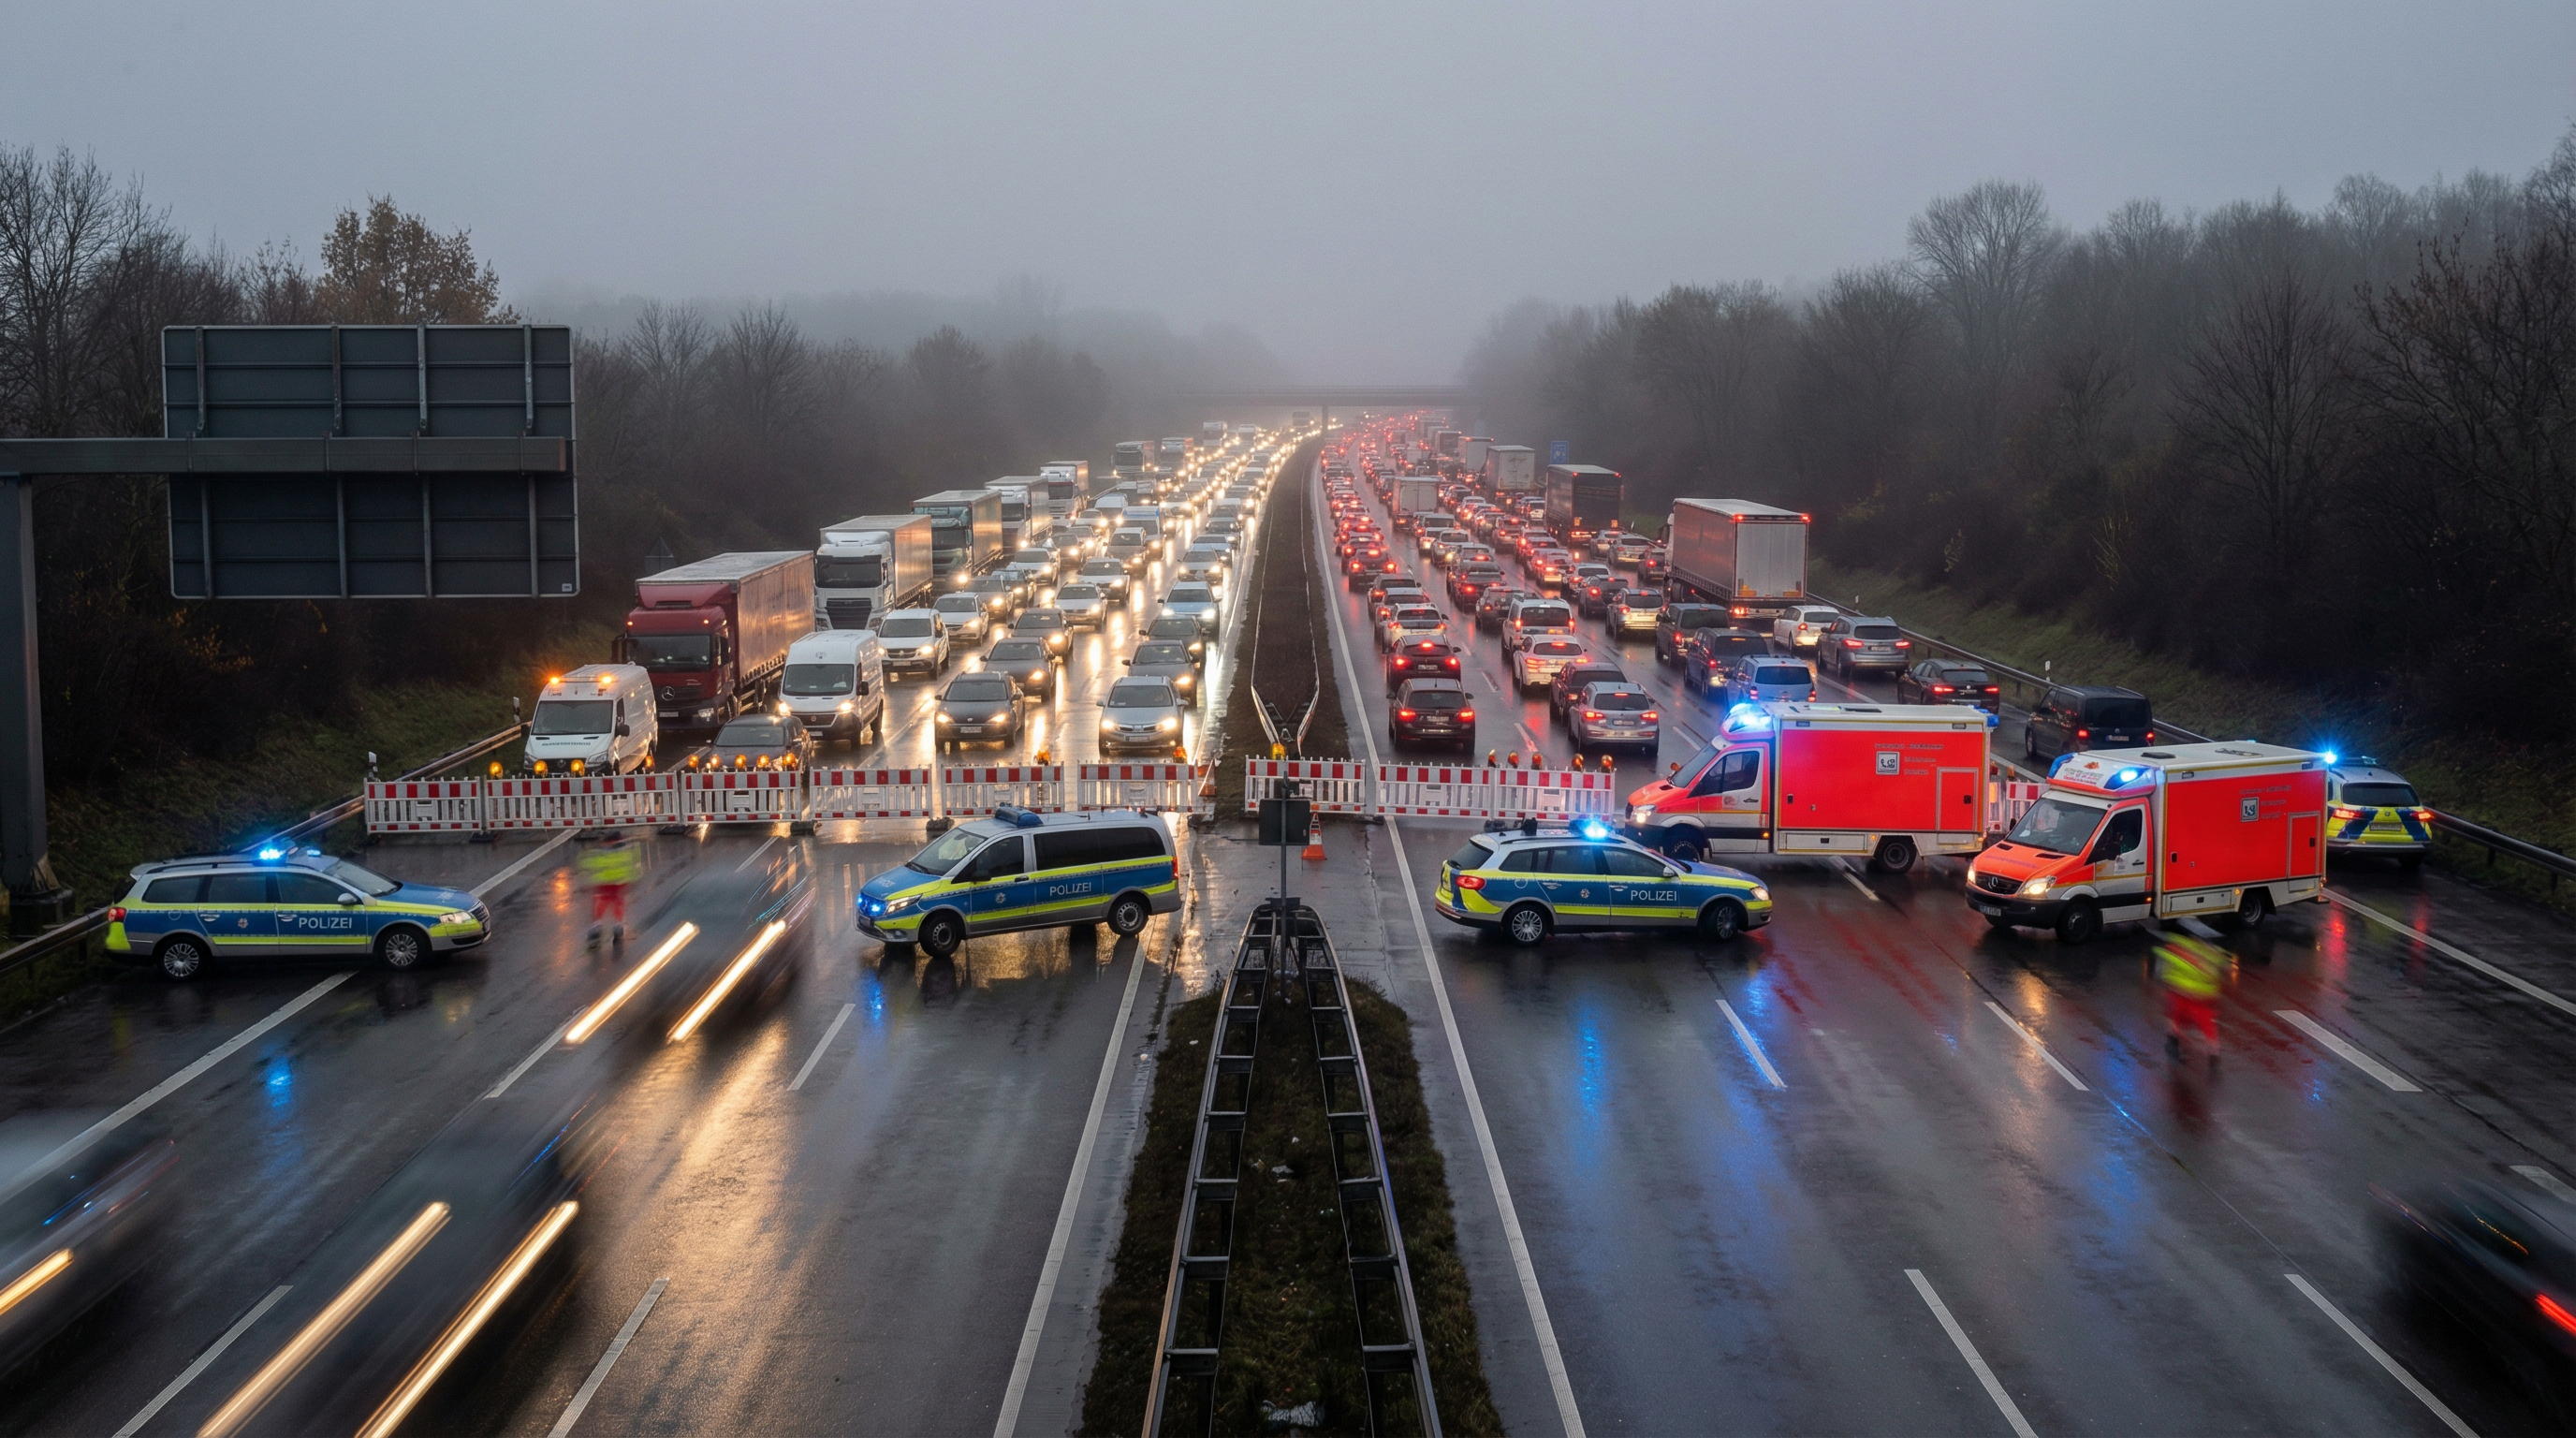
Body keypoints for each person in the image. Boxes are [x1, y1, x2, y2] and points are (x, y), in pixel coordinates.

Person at [2157, 931, 2230, 1064]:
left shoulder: (2177, 947)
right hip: (2204, 996)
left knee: (2177, 1016)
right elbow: (2224, 968)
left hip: (2180, 991)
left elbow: (2167, 968)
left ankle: (2173, 1038)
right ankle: (2212, 1049)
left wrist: (2167, 985)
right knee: (2206, 1022)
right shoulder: (2213, 953)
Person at [582, 830, 642, 949]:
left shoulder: (600, 853)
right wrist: (634, 879)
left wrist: (588, 880)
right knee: (618, 902)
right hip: (620, 882)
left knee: (601, 901)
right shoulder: (626, 852)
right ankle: (618, 925)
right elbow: (633, 865)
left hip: (604, 882)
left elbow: (589, 863)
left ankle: (596, 925)